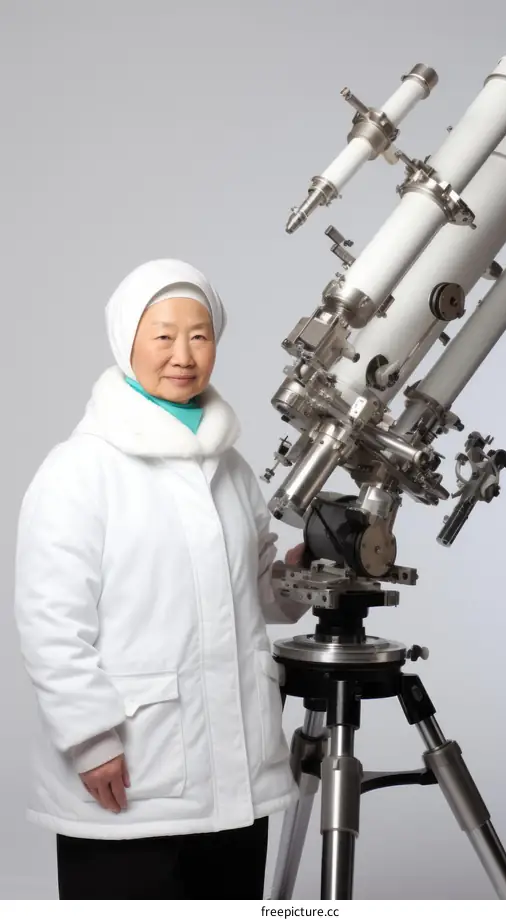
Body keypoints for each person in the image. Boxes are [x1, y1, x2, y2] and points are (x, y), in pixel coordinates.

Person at [13, 258, 309, 900]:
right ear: (128, 341)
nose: (183, 354)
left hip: (237, 773)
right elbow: (50, 620)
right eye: (164, 334)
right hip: (135, 771)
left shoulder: (232, 470)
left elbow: (258, 598)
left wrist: (297, 575)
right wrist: (90, 741)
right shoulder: (80, 469)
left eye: (199, 335)